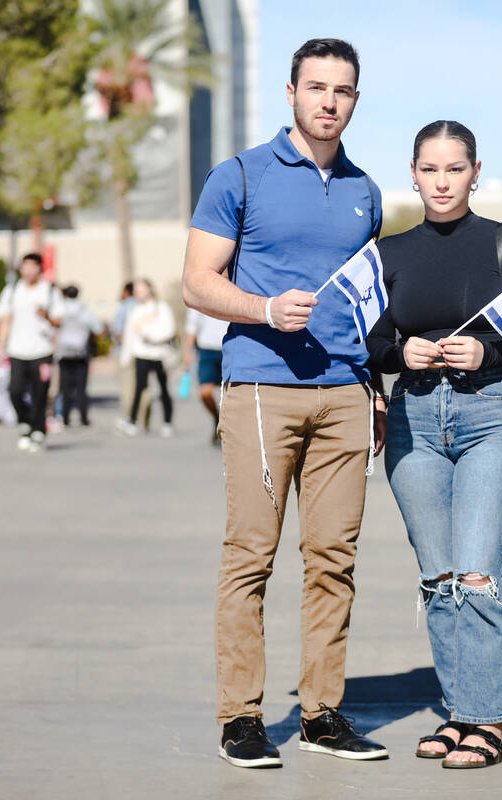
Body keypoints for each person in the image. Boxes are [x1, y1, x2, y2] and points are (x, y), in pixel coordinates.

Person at [182, 38, 387, 769]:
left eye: (344, 90)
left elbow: (371, 304)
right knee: (251, 556)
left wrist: (379, 392)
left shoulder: (366, 190)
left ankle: (322, 712)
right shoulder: (239, 174)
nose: (329, 101)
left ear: (355, 100)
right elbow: (197, 283)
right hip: (263, 389)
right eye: (317, 87)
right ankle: (241, 717)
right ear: (292, 92)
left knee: (334, 557)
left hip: (348, 397)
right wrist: (265, 309)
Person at [366, 120, 502, 770]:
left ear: (476, 172)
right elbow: (365, 340)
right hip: (414, 420)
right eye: (430, 169)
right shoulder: (389, 253)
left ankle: (488, 722)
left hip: (491, 417)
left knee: (477, 573)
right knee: (439, 577)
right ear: (413, 173)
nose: (442, 181)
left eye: (455, 168)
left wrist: (488, 349)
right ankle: (460, 711)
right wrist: (400, 350)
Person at [0, 252, 63, 452]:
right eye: (25, 266)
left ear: (40, 269)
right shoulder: (12, 290)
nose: (29, 271)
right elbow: (5, 320)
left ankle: (39, 430)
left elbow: (59, 321)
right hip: (17, 350)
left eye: (33, 266)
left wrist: (46, 316)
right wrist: (1, 346)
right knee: (15, 391)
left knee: (40, 392)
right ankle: (25, 422)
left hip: (42, 351)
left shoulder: (49, 291)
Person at [116, 278, 176, 437]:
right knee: (139, 388)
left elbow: (169, 330)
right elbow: (129, 334)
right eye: (136, 290)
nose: (138, 293)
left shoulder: (161, 307)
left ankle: (167, 422)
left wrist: (151, 335)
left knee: (163, 388)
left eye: (141, 289)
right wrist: (126, 356)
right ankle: (132, 421)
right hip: (141, 354)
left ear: (149, 289)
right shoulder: (135, 310)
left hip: (159, 355)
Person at [55, 285, 104, 427]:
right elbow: (99, 329)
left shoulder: (60, 309)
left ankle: (65, 417)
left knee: (64, 388)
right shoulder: (84, 311)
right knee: (81, 388)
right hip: (80, 354)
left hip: (64, 354)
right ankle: (83, 417)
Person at [182, 307, 228, 444]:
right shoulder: (202, 294)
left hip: (228, 347)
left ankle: (227, 428)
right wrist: (187, 351)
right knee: (205, 392)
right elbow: (191, 326)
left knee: (229, 394)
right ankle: (217, 418)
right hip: (207, 350)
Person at [112, 282, 137, 428]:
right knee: (140, 386)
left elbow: (118, 332)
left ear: (126, 292)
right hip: (139, 352)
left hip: (123, 352)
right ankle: (142, 419)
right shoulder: (140, 306)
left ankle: (130, 417)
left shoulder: (124, 307)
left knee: (127, 387)